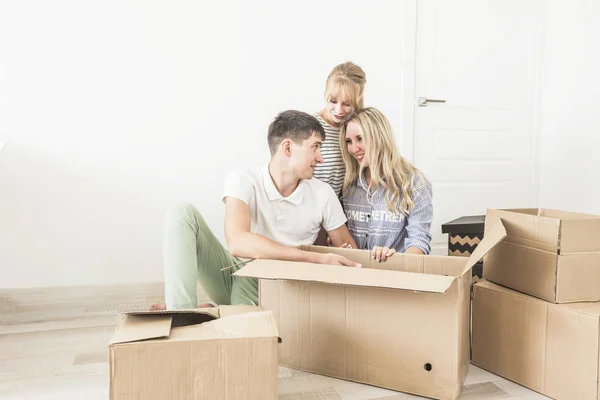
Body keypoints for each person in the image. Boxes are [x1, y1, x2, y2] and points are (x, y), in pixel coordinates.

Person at [153, 110, 360, 311]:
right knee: (181, 213)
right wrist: (315, 258)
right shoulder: (244, 180)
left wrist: (340, 255)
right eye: (315, 147)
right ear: (287, 148)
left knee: (253, 289)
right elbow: (237, 242)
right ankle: (181, 311)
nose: (320, 158)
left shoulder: (323, 194)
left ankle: (212, 313)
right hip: (233, 273)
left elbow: (352, 257)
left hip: (281, 286)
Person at [339, 107, 433, 262]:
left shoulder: (414, 183)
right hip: (355, 274)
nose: (353, 149)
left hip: (396, 277)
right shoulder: (348, 185)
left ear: (379, 137)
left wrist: (392, 259)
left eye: (360, 139)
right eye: (349, 141)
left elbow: (419, 242)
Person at [313, 62, 367, 196]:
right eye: (333, 101)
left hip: (342, 209)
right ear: (325, 93)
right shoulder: (310, 127)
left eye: (347, 104)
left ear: (358, 99)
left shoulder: (358, 127)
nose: (338, 110)